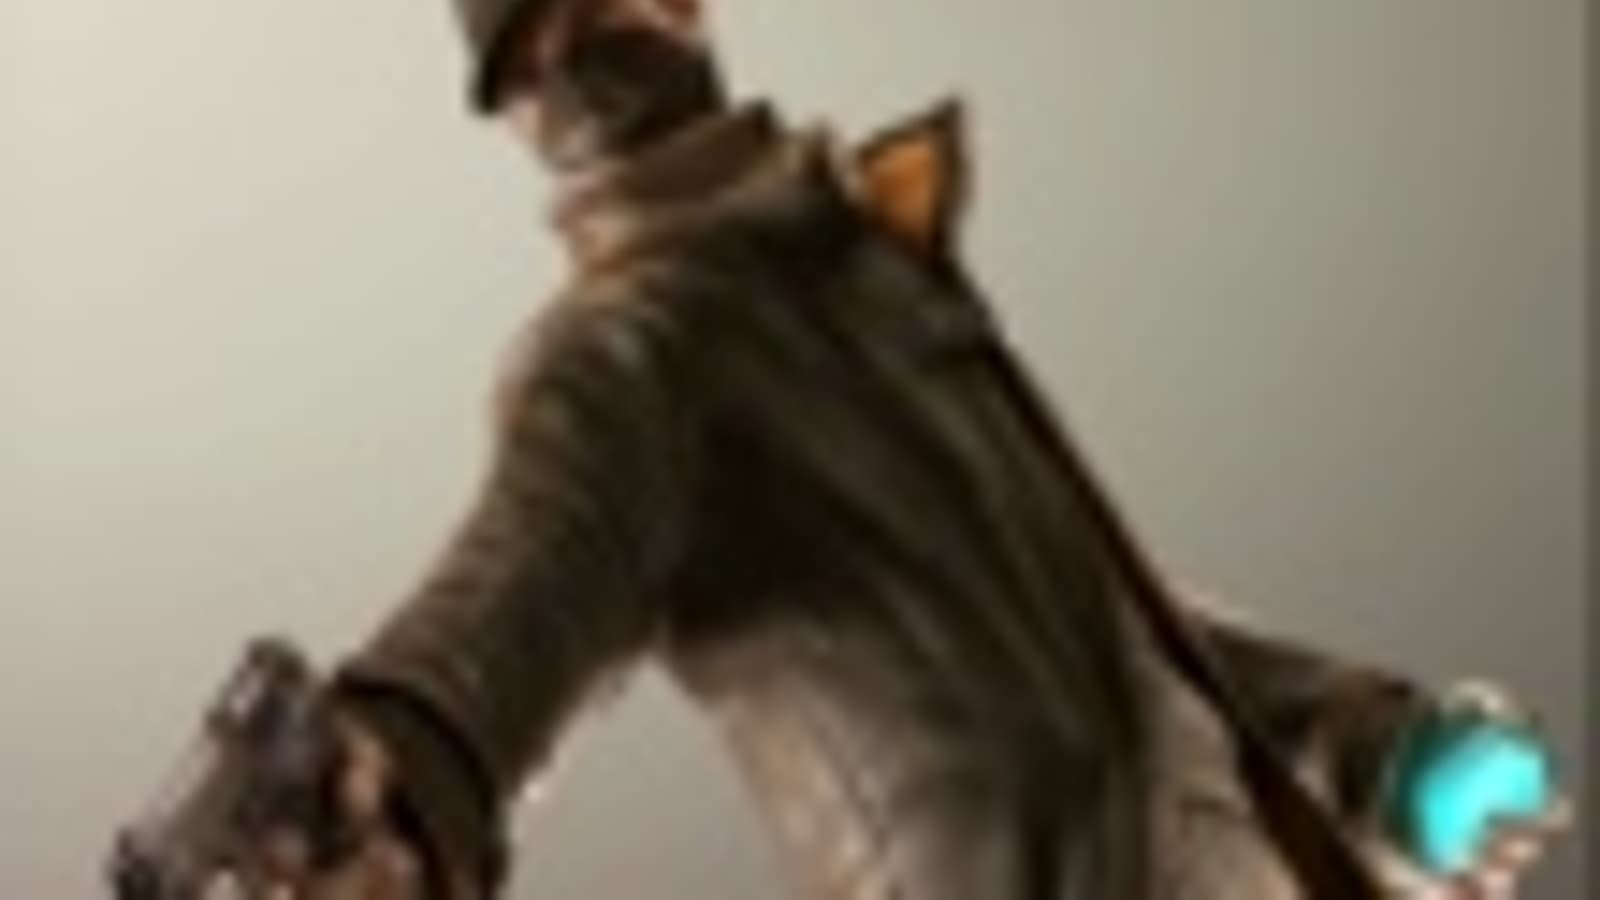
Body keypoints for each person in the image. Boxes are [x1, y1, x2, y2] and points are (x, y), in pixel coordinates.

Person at [247, 1, 1569, 896]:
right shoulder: (634, 351)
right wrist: (379, 787)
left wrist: (1369, 750)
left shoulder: (857, 263)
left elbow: (1092, 623)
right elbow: (527, 586)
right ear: (511, 98)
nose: (584, 47)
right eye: (541, 32)